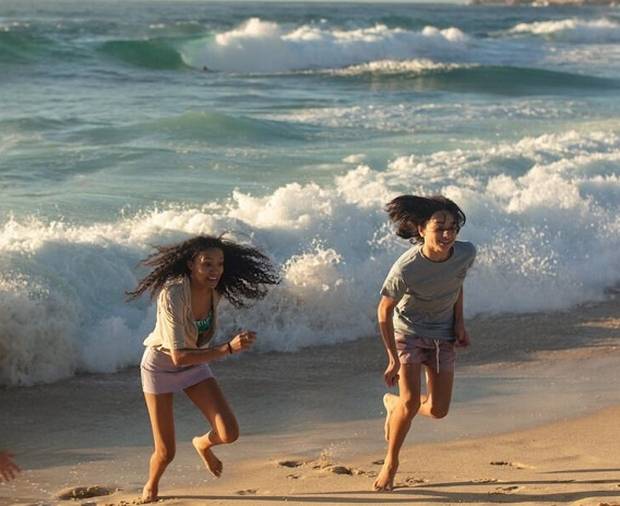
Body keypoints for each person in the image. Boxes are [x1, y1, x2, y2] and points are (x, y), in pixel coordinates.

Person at [127, 235, 279, 503]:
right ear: (191, 264)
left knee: (229, 433)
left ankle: (202, 444)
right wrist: (228, 348)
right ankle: (151, 485)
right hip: (160, 367)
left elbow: (190, 354)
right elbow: (178, 357)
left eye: (219, 264)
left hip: (194, 363)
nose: (215, 271)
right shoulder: (173, 294)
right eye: (207, 264)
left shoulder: (216, 290)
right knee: (166, 452)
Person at [373, 195, 476, 491]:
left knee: (439, 410)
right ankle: (390, 463)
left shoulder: (465, 253)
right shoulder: (407, 268)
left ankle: (394, 404)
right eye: (439, 227)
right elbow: (384, 311)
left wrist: (459, 323)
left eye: (452, 227)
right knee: (411, 401)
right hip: (409, 332)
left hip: (443, 334)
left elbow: (456, 283)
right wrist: (392, 358)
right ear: (421, 229)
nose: (447, 234)